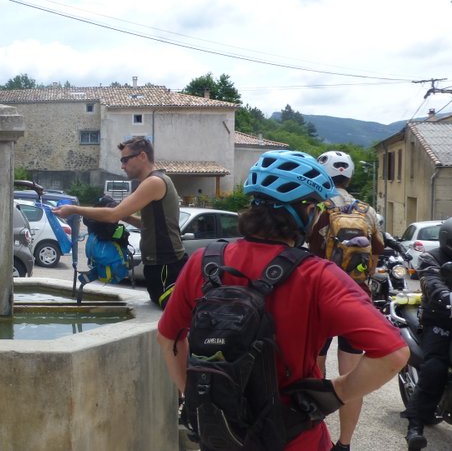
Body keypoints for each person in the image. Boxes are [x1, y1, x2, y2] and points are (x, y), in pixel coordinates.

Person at [157, 150, 409, 450]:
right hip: (293, 437)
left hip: (222, 433)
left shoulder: (205, 261)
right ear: (307, 212)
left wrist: (198, 400)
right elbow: (393, 354)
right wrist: (338, 391)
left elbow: (168, 337)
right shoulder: (318, 275)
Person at [307, 151, 385, 451]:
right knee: (351, 376)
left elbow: (307, 248)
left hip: (321, 297)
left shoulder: (318, 207)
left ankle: (314, 434)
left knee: (315, 369)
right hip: (356, 297)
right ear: (349, 177)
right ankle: (345, 444)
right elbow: (377, 251)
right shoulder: (367, 210)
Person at [54, 135, 185, 308]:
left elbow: (112, 215)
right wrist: (126, 215)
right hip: (160, 266)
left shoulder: (154, 182)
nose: (122, 166)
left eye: (125, 160)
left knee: (171, 326)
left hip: (166, 266)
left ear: (142, 156)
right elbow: (145, 225)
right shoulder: (152, 182)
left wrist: (73, 210)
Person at [403, 217, 452, 450]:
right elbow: (432, 282)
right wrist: (447, 297)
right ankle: (415, 427)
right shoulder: (430, 257)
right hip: (440, 319)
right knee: (436, 367)